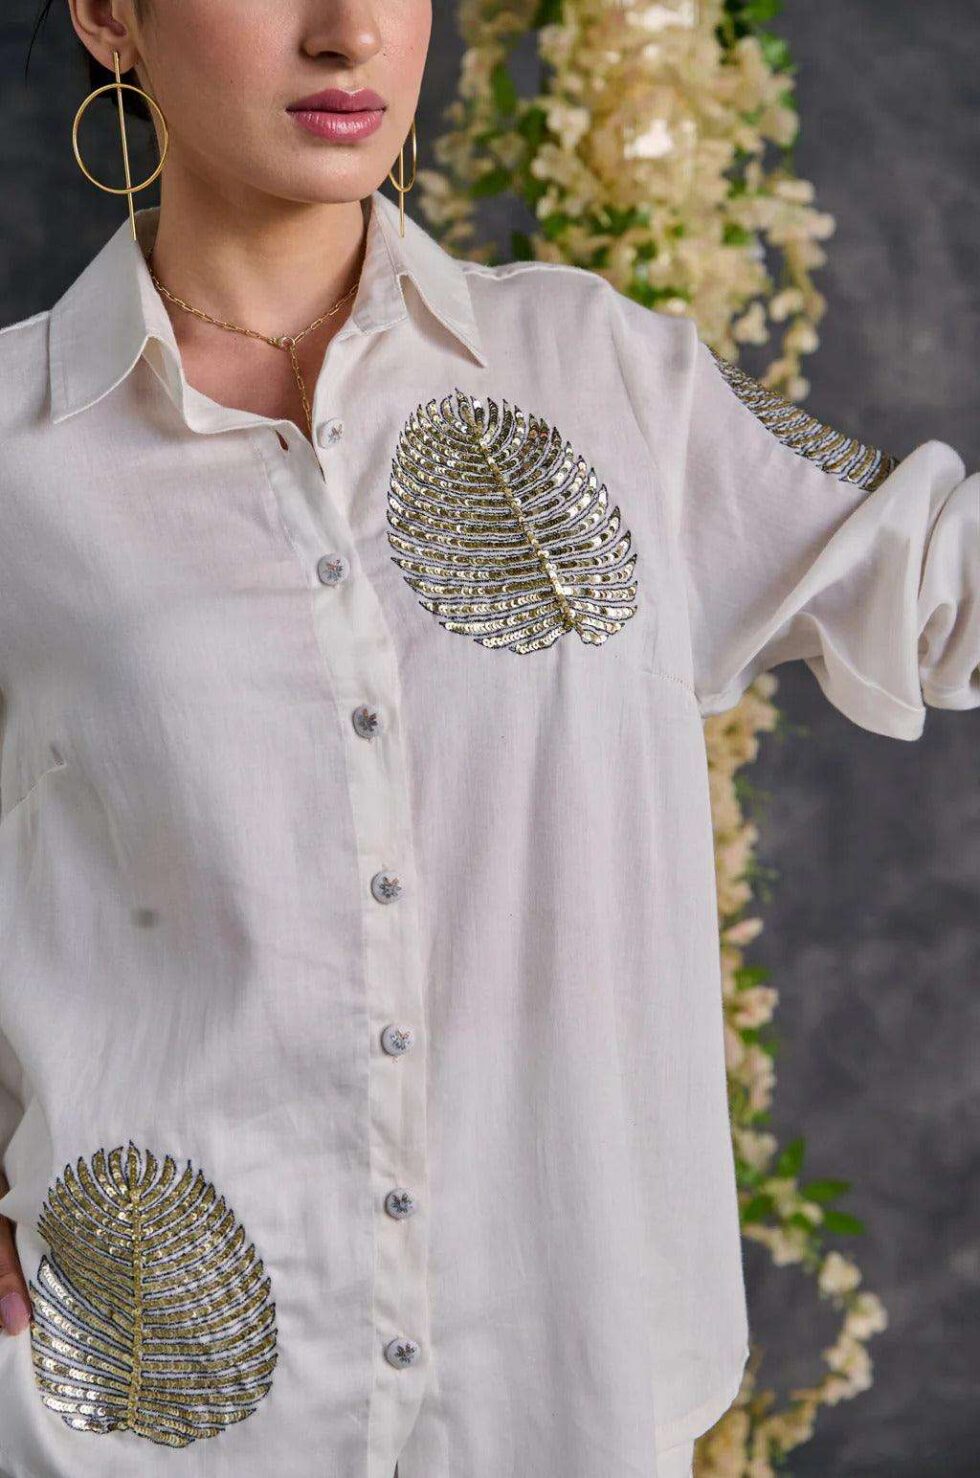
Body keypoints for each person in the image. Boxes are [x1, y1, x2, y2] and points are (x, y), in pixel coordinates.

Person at [0, 2, 975, 1477]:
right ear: (109, 15)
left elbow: (938, 577)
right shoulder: (20, 454)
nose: (348, 33)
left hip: (562, 1390)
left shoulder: (602, 376)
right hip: (147, 1416)